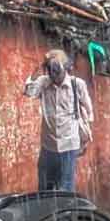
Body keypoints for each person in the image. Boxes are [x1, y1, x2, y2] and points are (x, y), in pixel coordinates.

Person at [24, 49, 93, 194]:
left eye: (57, 71)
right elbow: (29, 93)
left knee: (65, 190)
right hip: (48, 146)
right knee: (44, 190)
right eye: (51, 71)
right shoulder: (44, 82)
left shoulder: (77, 85)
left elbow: (88, 110)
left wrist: (85, 138)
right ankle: (47, 215)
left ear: (67, 69)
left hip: (69, 146)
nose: (55, 76)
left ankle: (65, 215)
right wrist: (37, 72)